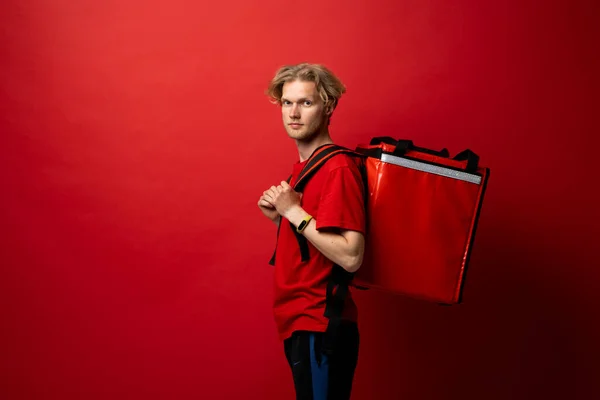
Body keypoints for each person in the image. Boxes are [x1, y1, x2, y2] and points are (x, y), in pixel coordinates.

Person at [258, 63, 366, 400]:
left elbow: (351, 255)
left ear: (328, 106)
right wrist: (282, 220)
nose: (294, 113)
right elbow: (317, 247)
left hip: (321, 323)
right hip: (299, 321)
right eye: (287, 103)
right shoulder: (304, 170)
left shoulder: (338, 168)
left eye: (306, 103)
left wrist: (293, 211)